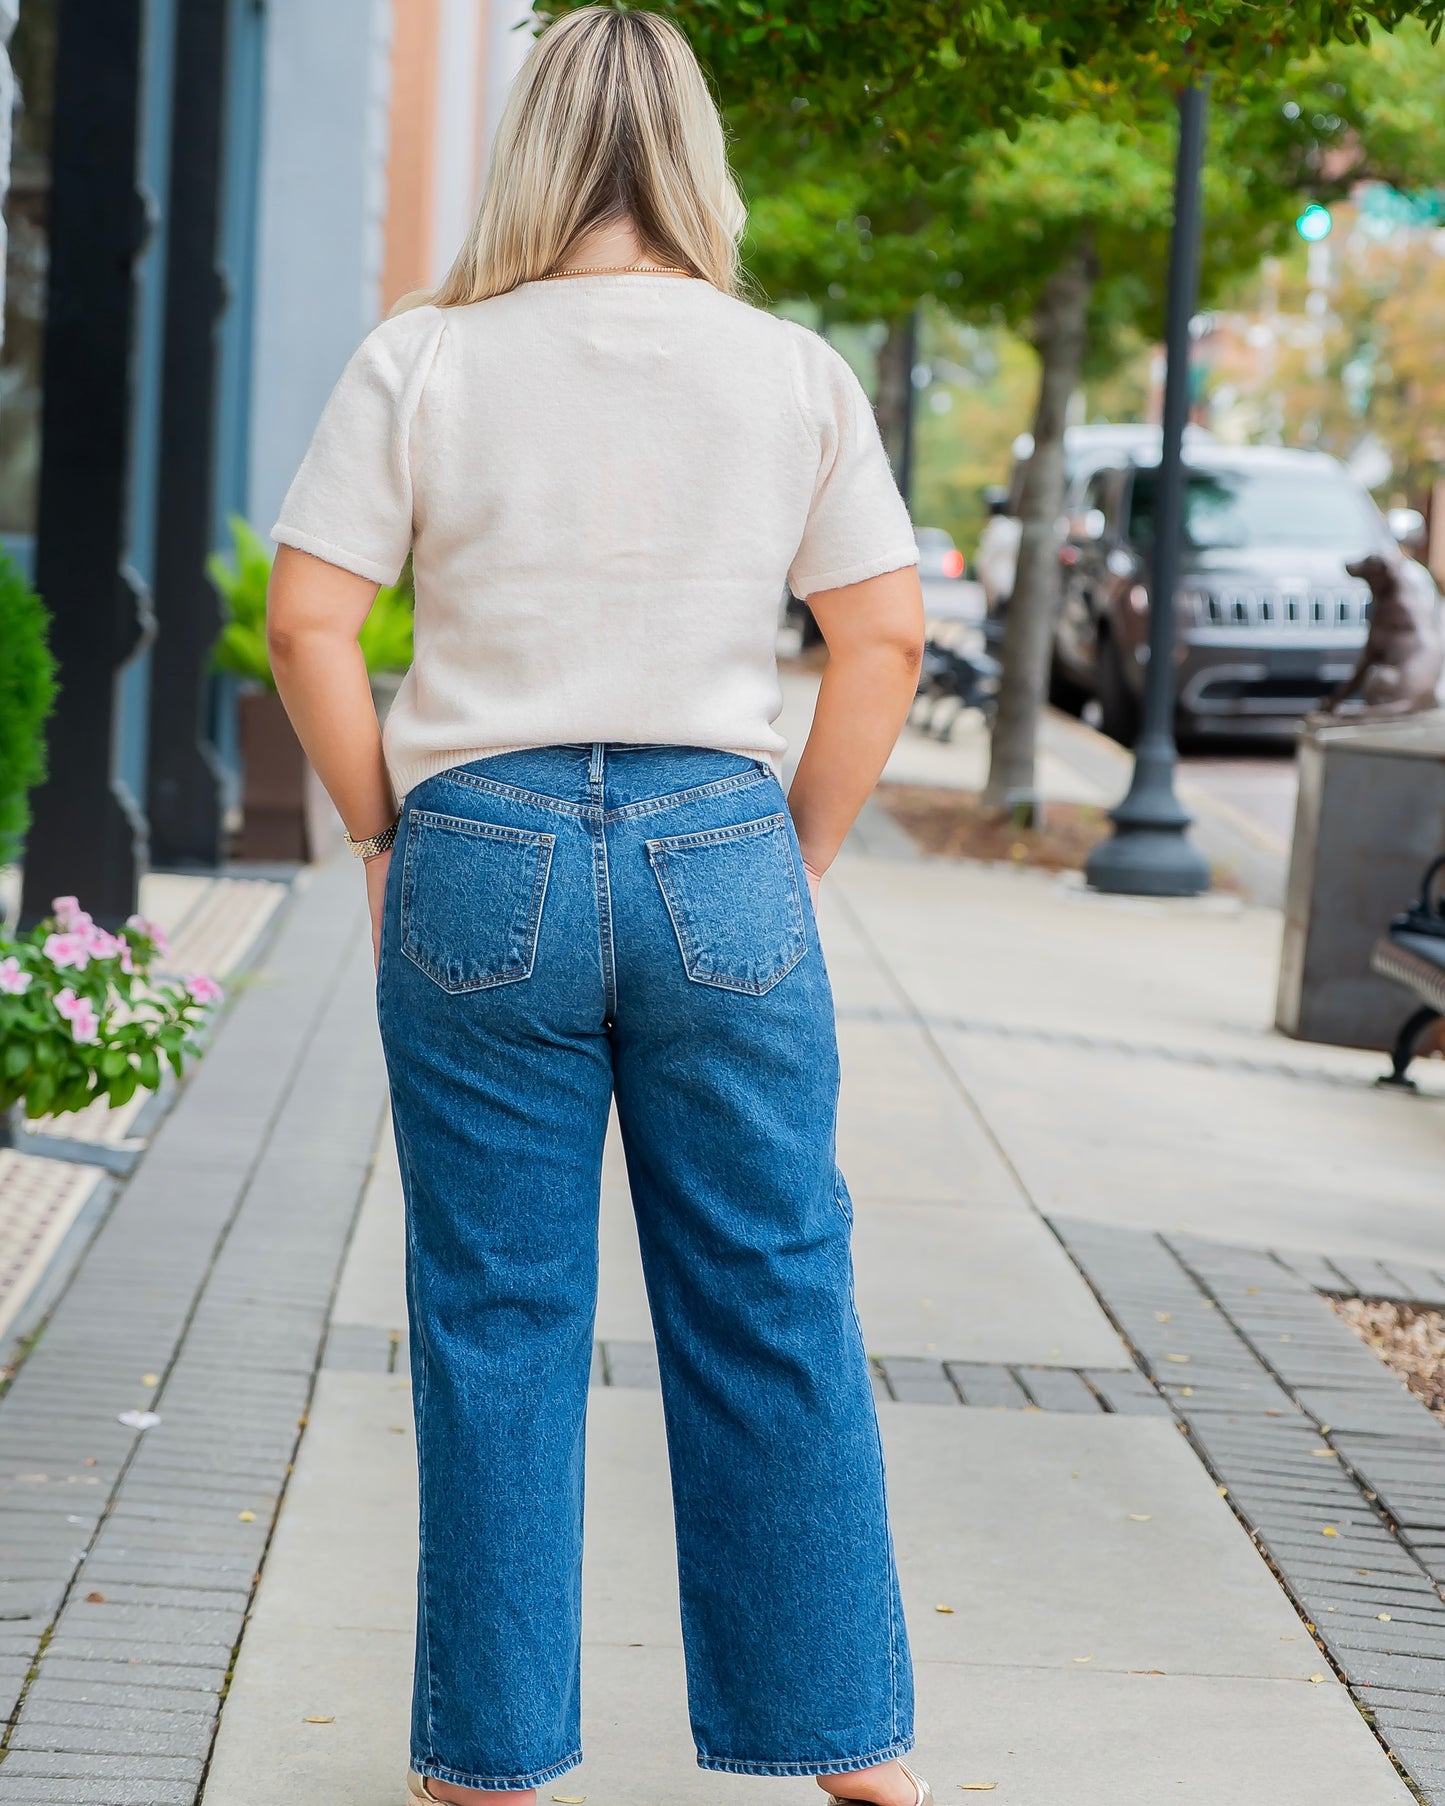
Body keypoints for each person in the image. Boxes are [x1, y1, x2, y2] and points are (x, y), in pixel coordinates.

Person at [265, 10, 927, 1803]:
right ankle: (853, 1744)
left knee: (495, 1313)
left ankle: (489, 1759)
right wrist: (793, 850)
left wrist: (382, 831)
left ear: (529, 146)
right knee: (774, 1291)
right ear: (697, 155)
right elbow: (880, 636)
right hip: (721, 840)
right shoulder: (789, 371)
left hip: (481, 842)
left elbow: (311, 619)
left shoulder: (423, 357)